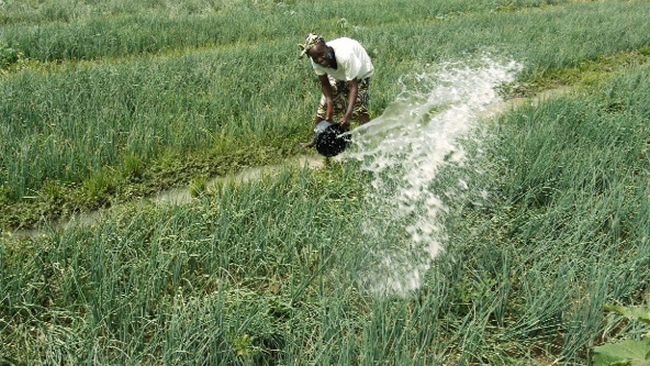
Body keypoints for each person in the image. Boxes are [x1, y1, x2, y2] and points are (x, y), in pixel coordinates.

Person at [299, 33, 374, 148]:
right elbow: (325, 84)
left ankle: (366, 142)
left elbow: (353, 86)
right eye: (315, 58)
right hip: (338, 74)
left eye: (321, 54)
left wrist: (348, 115)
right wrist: (329, 106)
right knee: (324, 105)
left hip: (359, 74)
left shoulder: (345, 55)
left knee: (359, 107)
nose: (319, 59)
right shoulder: (315, 60)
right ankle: (316, 140)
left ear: (326, 47)